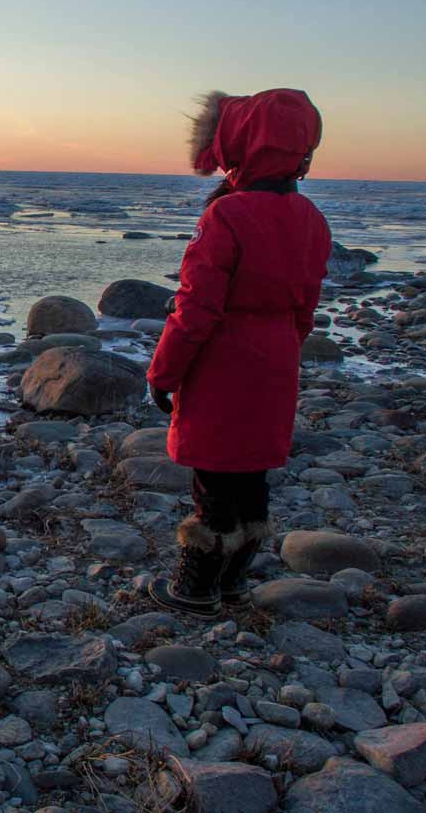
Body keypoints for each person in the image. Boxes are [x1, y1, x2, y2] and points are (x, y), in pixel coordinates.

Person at [146, 88, 333, 618]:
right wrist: (281, 355)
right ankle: (232, 582)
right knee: (252, 473)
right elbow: (306, 307)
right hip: (275, 359)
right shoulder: (312, 219)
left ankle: (195, 587)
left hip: (223, 361)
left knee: (213, 477)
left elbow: (195, 307)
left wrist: (164, 372)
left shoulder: (226, 217)